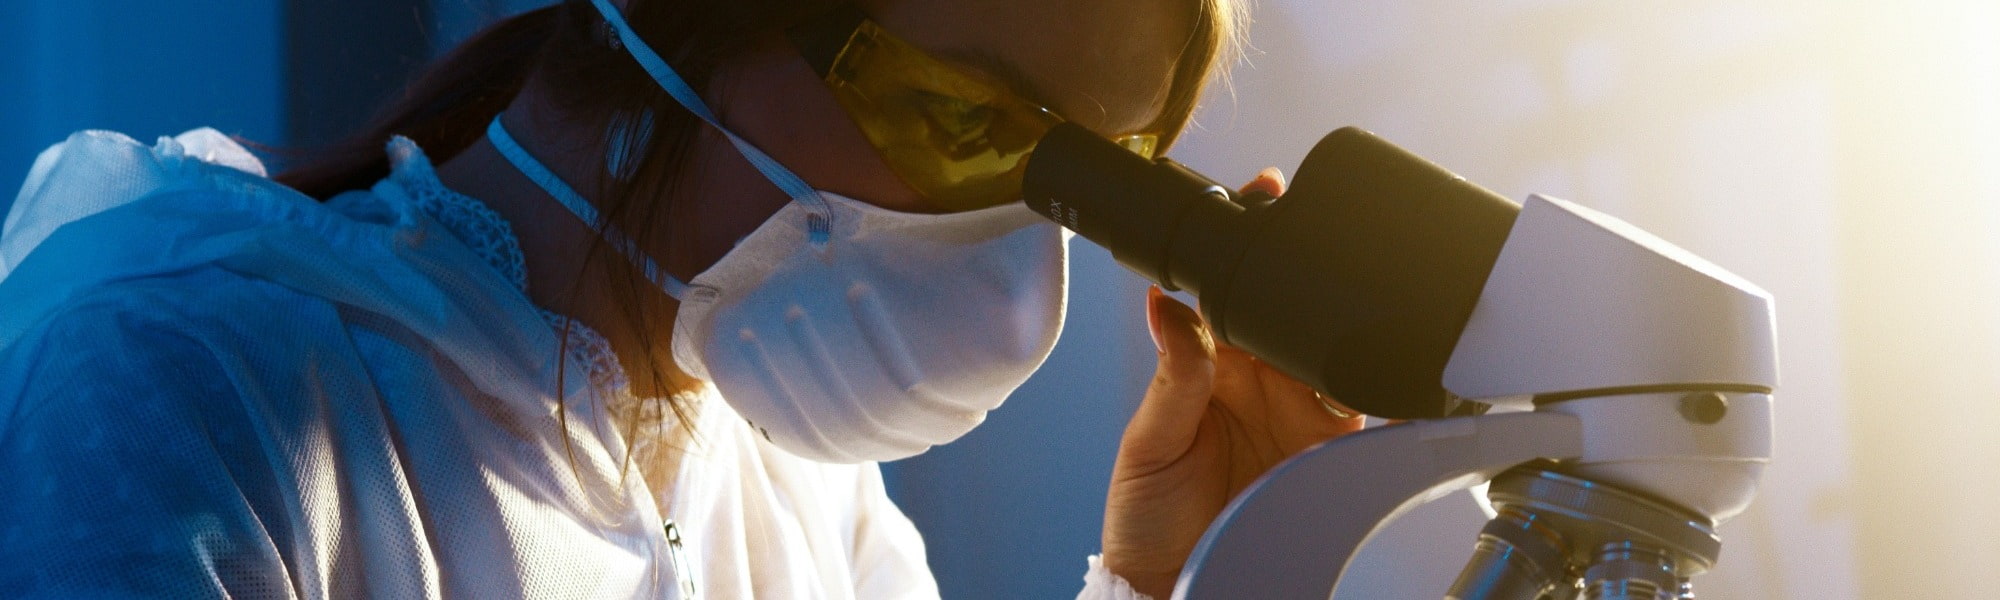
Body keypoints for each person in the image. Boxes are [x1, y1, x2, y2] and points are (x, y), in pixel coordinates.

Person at [0, 0, 1364, 597]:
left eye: (1084, 182)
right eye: (963, 118)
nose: (1006, 242)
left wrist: (1175, 577)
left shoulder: (788, 479)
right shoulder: (182, 387)